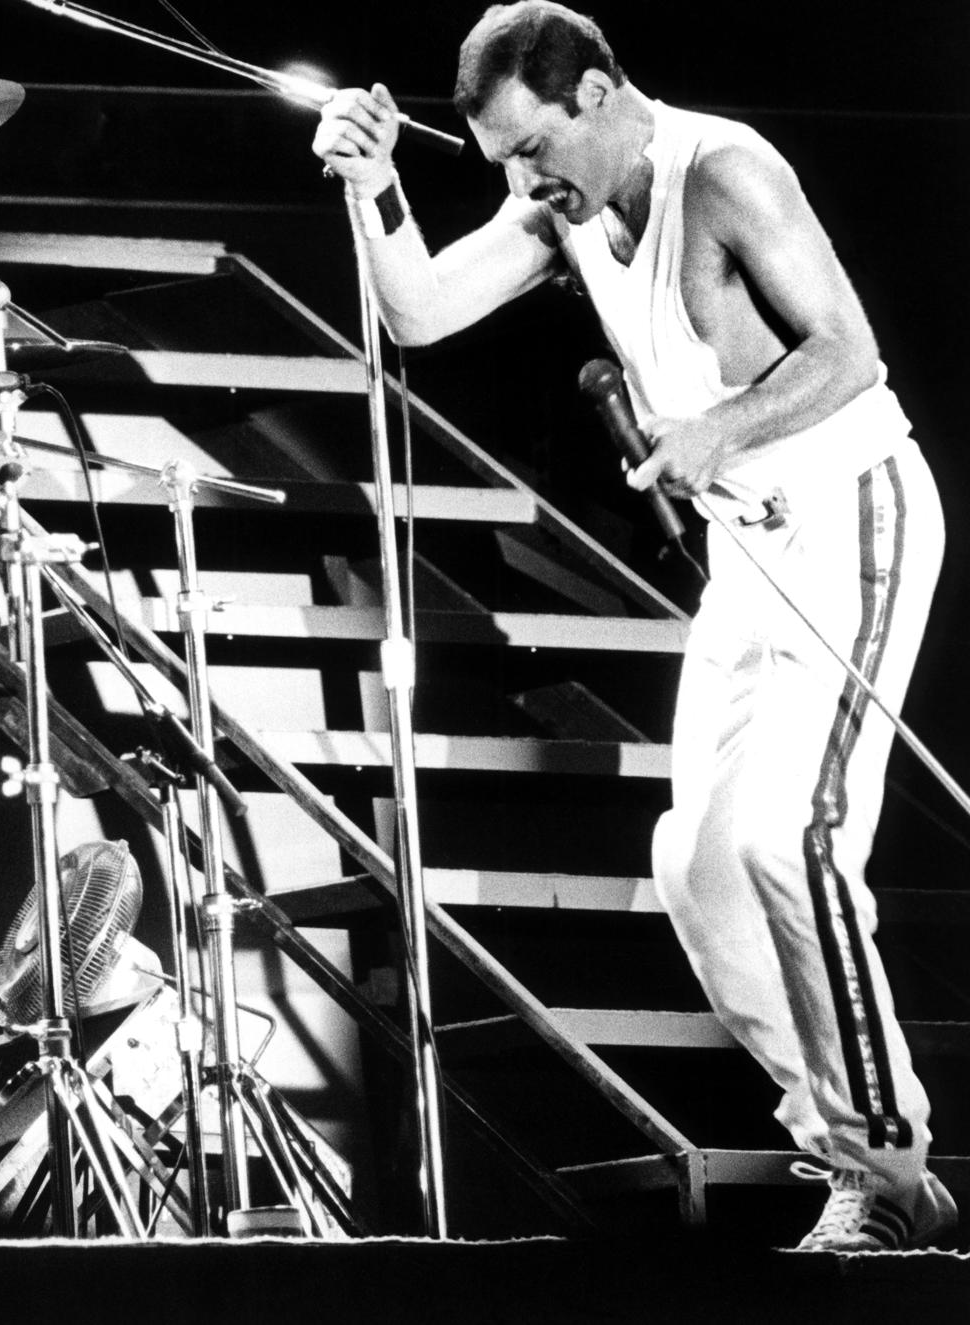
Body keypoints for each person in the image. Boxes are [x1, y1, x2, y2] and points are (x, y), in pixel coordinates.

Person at [314, 2, 952, 1251]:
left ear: (598, 92)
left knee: (792, 840)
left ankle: (886, 1167)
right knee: (700, 866)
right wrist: (374, 186)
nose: (522, 178)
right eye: (502, 156)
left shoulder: (726, 170)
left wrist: (715, 429)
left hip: (849, 511)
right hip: (751, 548)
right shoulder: (562, 199)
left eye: (535, 145)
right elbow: (422, 313)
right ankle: (855, 1159)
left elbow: (851, 355)